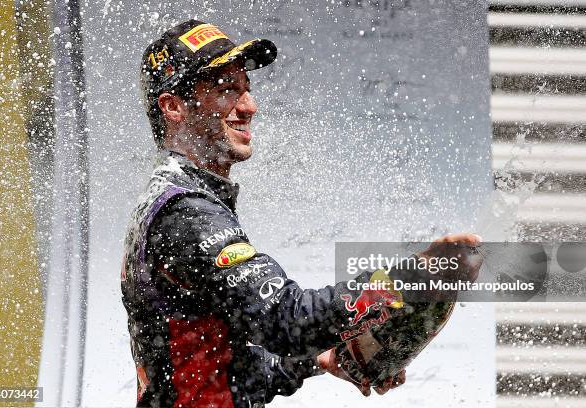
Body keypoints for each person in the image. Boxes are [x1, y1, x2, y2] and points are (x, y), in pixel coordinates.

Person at [121, 19, 480, 408]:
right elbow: (287, 320)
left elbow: (226, 371)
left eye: (247, 89)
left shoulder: (173, 198)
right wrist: (413, 276)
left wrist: (318, 359)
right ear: (173, 106)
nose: (249, 107)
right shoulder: (186, 213)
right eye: (227, 91)